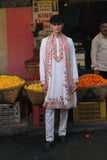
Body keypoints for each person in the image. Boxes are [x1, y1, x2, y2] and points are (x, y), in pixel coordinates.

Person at [39, 14, 78, 151]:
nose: (57, 27)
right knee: (49, 110)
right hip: (51, 80)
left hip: (65, 79)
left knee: (64, 108)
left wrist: (75, 80)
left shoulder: (69, 41)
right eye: (54, 24)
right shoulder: (44, 42)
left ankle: (62, 133)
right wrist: (43, 81)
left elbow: (73, 61)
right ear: (51, 25)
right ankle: (49, 138)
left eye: (59, 24)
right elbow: (42, 62)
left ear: (63, 25)